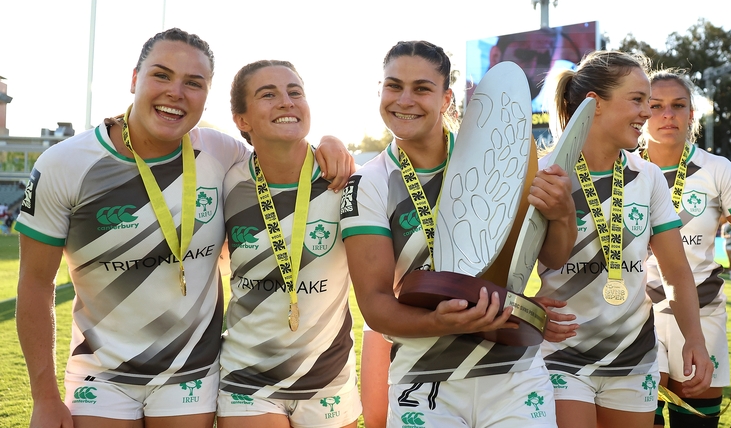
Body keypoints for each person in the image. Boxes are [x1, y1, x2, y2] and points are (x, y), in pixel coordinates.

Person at [14, 28, 353, 428]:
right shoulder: (65, 164)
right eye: (162, 75)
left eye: (193, 83)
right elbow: (36, 284)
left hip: (191, 373)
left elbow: (280, 147)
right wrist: (44, 397)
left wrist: (331, 143)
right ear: (135, 79)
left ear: (206, 95)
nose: (176, 92)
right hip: (100, 375)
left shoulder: (220, 152)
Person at [340, 40, 578, 427]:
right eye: (393, 86)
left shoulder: (498, 155)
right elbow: (375, 304)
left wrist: (563, 213)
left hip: (513, 375)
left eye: (422, 88)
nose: (405, 99)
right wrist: (442, 323)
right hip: (424, 380)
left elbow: (552, 257)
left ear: (446, 98)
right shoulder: (368, 183)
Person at [534, 51, 713, 428]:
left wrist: (693, 338)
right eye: (637, 100)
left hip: (635, 358)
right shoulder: (542, 173)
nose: (647, 113)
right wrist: (526, 307)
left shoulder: (647, 177)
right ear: (594, 104)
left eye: (647, 102)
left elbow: (676, 270)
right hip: (561, 353)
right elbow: (503, 270)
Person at [215, 60, 361, 428]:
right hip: (247, 376)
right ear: (242, 120)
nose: (286, 101)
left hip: (326, 376)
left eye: (295, 92)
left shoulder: (344, 181)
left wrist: (333, 142)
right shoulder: (225, 181)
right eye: (268, 95)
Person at [640, 69, 731, 428]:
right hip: (637, 318)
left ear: (692, 114)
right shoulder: (622, 168)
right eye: (655, 105)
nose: (667, 114)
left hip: (703, 316)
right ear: (641, 111)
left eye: (678, 105)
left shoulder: (716, 169)